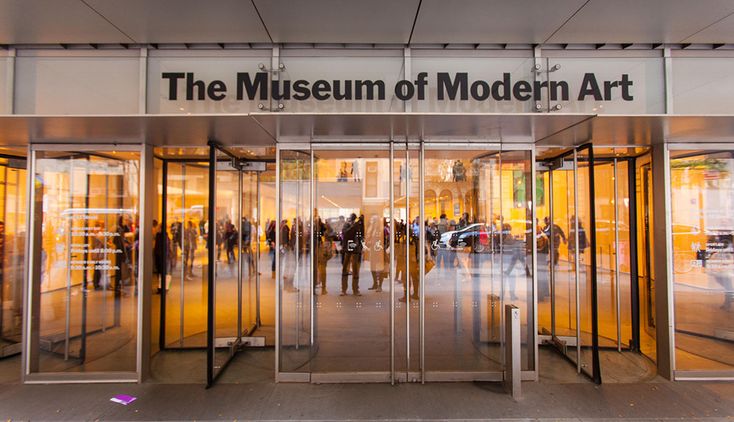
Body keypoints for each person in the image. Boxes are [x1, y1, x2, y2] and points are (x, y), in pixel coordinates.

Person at [340, 213, 363, 296]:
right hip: (348, 248)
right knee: (345, 269)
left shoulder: (358, 225)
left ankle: (355, 289)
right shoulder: (347, 224)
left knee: (355, 270)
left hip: (355, 248)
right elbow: (346, 234)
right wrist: (353, 226)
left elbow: (360, 236)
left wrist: (361, 246)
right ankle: (344, 289)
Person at [366, 214, 386, 292]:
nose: (372, 222)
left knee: (380, 269)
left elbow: (385, 241)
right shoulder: (371, 229)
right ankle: (375, 284)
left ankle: (380, 286)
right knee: (373, 268)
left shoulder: (382, 229)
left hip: (379, 251)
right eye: (372, 220)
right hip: (373, 251)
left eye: (374, 221)